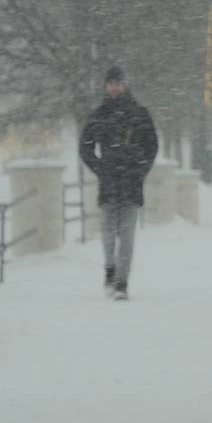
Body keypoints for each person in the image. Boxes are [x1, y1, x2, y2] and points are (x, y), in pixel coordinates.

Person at [79, 66, 158, 301]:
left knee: (127, 236)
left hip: (131, 183)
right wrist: (101, 169)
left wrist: (140, 170)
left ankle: (122, 283)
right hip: (109, 182)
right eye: (110, 83)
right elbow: (85, 147)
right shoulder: (100, 114)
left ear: (125, 85)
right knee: (107, 233)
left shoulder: (140, 114)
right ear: (106, 86)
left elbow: (151, 146)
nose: (114, 87)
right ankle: (110, 269)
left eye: (118, 83)